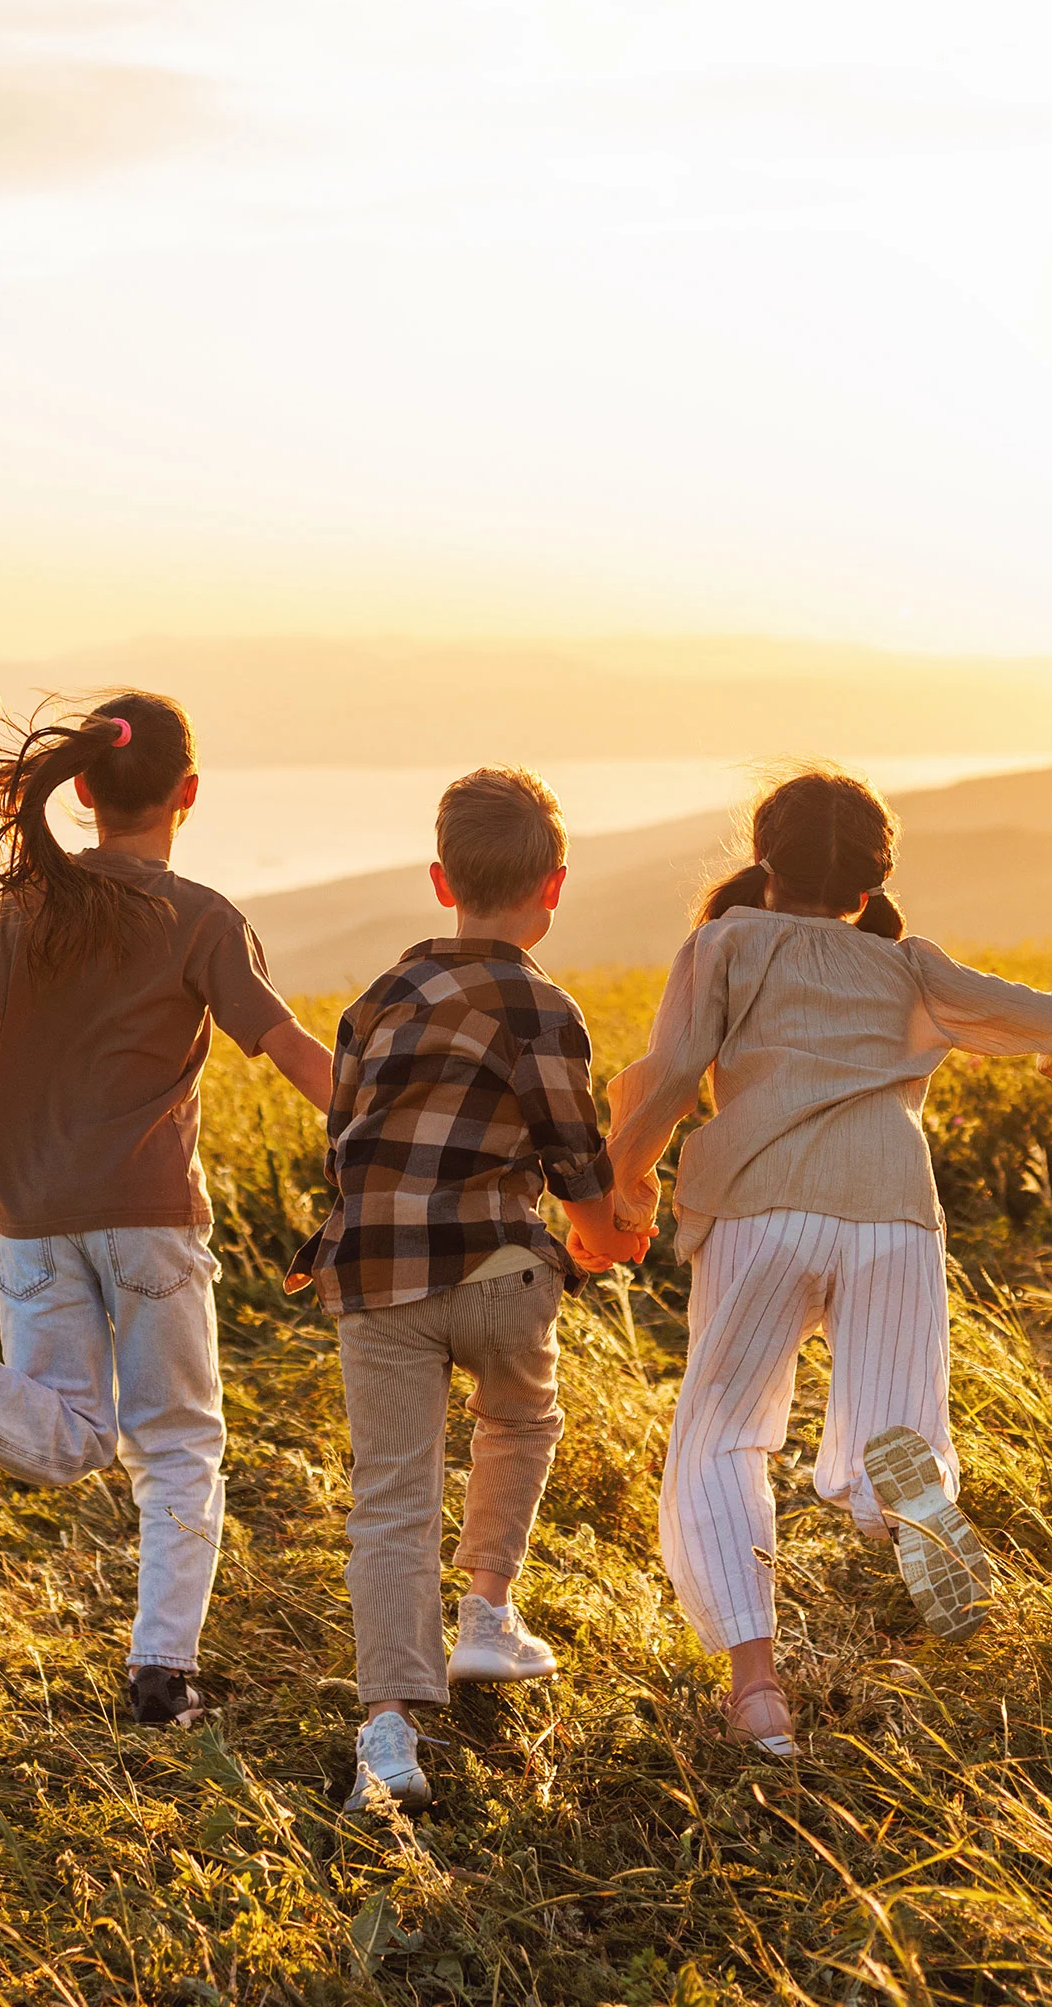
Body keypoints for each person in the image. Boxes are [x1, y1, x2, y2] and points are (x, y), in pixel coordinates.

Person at [0, 692, 340, 1725]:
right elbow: (286, 1047)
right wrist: (377, 1126)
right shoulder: (198, 915)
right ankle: (162, 1676)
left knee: (70, 1434)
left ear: (86, 793)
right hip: (147, 1211)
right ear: (185, 794)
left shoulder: (31, 908)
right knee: (179, 1443)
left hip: (27, 1210)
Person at [603, 766, 1052, 1752]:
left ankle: (757, 1690)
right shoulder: (909, 966)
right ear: (868, 885)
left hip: (761, 1206)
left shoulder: (721, 944)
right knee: (895, 1420)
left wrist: (614, 1182)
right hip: (892, 1210)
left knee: (721, 1432)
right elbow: (1030, 1014)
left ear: (765, 863)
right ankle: (904, 1488)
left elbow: (672, 1075)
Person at [292, 768, 648, 1814]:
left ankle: (388, 1734)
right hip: (499, 1271)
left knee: (391, 1500)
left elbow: (340, 1146)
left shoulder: (377, 1001)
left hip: (374, 1277)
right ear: (556, 886)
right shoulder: (544, 1005)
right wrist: (602, 1234)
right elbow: (574, 1158)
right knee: (521, 1418)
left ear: (442, 878)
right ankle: (487, 1612)